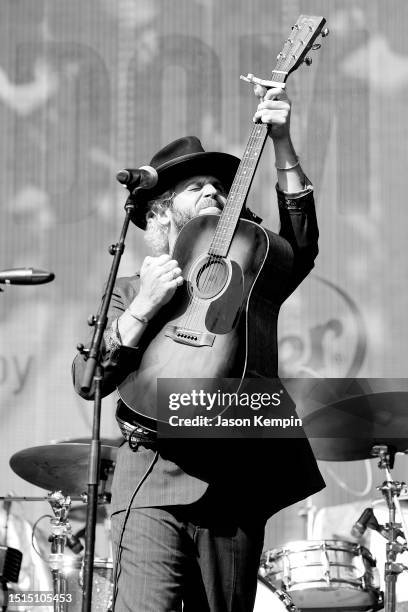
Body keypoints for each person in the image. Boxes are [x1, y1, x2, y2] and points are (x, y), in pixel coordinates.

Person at [72, 86, 325, 612]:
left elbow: (297, 248)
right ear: (161, 215)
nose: (213, 191)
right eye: (196, 187)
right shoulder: (130, 287)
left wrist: (281, 142)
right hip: (153, 477)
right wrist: (142, 307)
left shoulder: (251, 271)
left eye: (218, 185)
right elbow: (88, 378)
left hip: (235, 483)